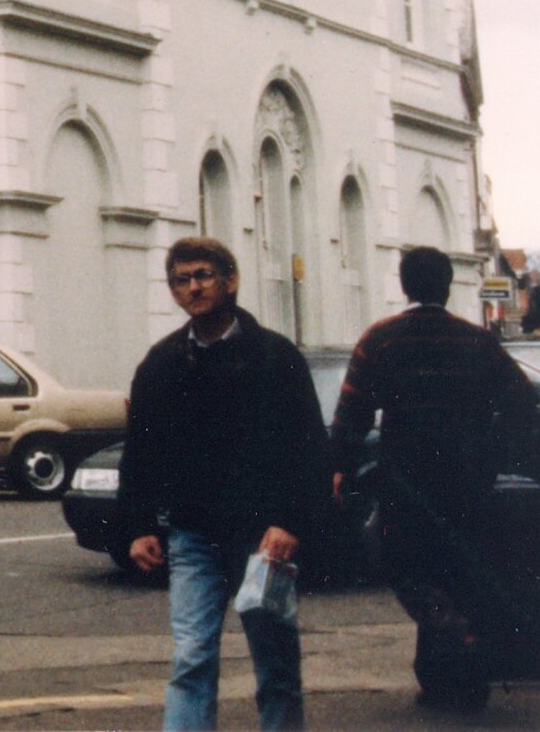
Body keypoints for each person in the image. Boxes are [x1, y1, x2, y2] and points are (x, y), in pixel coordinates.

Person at [116, 235, 330, 732]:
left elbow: (309, 448)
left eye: (203, 276)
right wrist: (138, 525)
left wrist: (290, 521)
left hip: (263, 540)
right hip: (193, 536)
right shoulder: (162, 363)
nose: (193, 288)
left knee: (275, 664)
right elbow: (142, 451)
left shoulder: (275, 357)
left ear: (230, 280)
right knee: (191, 659)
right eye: (181, 280)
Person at [330, 245, 540, 712]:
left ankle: (454, 645)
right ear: (447, 286)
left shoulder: (381, 340)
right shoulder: (476, 341)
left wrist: (340, 466)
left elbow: (352, 413)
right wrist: (493, 451)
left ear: (405, 285)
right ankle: (456, 677)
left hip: (404, 479)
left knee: (408, 567)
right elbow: (522, 401)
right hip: (467, 479)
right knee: (457, 570)